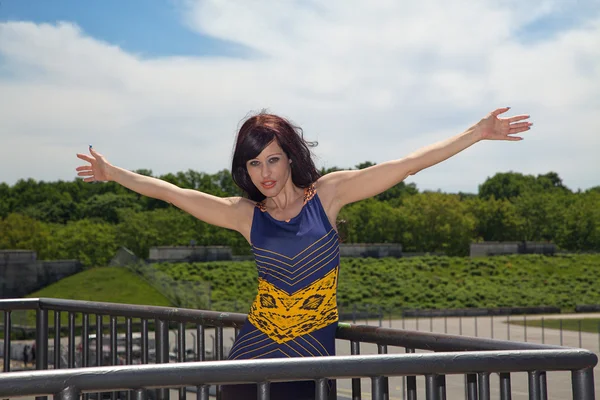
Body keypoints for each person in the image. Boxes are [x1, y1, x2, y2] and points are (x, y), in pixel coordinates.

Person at [76, 107, 531, 399]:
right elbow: (174, 193)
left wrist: (476, 132)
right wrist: (114, 173)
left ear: (289, 157)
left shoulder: (328, 195)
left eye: (272, 159)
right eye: (254, 164)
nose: (264, 172)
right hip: (254, 348)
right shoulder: (244, 214)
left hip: (310, 352)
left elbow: (406, 165)